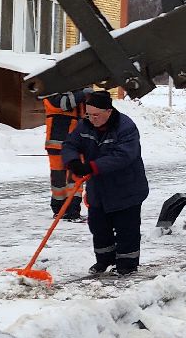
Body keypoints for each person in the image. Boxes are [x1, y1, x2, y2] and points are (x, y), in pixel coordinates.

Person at [62, 90, 149, 276]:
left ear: (108, 111)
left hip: (126, 187)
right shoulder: (84, 125)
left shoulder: (125, 127)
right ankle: (104, 261)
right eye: (89, 114)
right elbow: (70, 144)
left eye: (96, 115)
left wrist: (92, 166)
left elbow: (124, 156)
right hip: (99, 189)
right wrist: (73, 161)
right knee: (99, 227)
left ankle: (127, 264)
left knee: (127, 228)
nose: (92, 119)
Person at [42, 91, 83, 222]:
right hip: (57, 144)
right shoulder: (50, 93)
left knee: (74, 179)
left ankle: (72, 211)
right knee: (58, 180)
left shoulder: (76, 94)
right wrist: (82, 94)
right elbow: (63, 104)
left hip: (74, 144)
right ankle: (60, 210)